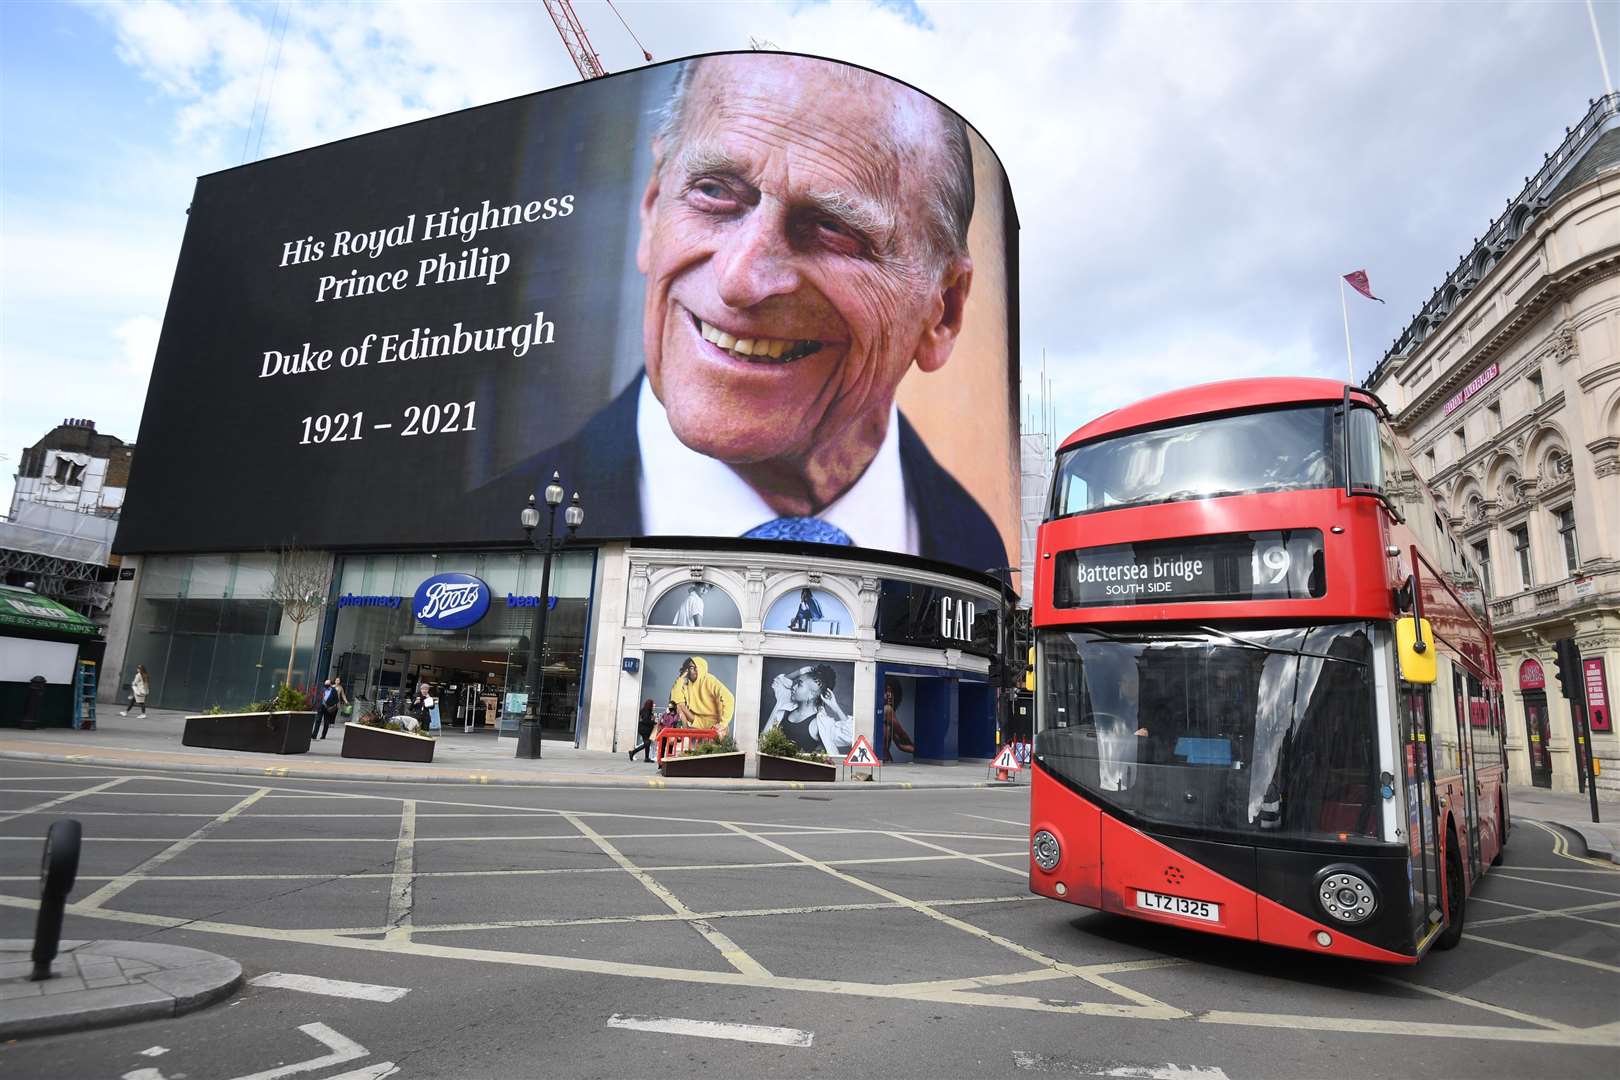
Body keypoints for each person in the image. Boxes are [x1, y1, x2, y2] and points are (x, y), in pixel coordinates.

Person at [476, 54, 1006, 571]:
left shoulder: (983, 554)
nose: (739, 280)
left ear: (944, 312)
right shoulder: (487, 534)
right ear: (652, 206)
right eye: (713, 192)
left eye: (833, 228)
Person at [764, 663, 852, 757]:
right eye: (796, 682)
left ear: (811, 695)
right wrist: (800, 671)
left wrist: (836, 708)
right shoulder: (786, 706)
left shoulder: (821, 724)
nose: (793, 687)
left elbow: (850, 736)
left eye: (799, 685)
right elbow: (780, 682)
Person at [670, 656, 734, 737]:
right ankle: (684, 735)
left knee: (718, 737)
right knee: (679, 705)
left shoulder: (709, 680)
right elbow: (675, 699)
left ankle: (716, 741)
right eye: (690, 668)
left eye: (695, 667)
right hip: (698, 721)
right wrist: (681, 678)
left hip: (715, 723)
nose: (692, 670)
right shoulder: (686, 685)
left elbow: (729, 698)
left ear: (701, 669)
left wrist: (723, 724)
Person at [882, 679, 914, 761]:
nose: (889, 695)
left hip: (884, 761)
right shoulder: (887, 710)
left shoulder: (886, 712)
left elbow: (901, 743)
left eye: (891, 691)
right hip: (884, 761)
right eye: (886, 691)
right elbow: (902, 736)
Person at [629, 698, 657, 762]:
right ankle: (633, 752)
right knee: (647, 743)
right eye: (652, 705)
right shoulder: (647, 711)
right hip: (645, 730)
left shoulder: (644, 710)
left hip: (643, 729)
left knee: (647, 743)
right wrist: (653, 722)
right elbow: (646, 721)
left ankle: (646, 758)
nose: (653, 706)